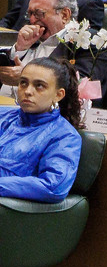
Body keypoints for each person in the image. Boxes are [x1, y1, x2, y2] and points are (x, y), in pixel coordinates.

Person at [0, 56, 82, 201]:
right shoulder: (4, 115)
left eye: (39, 85)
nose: (28, 91)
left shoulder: (64, 136)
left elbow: (54, 186)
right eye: (23, 83)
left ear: (58, 95)